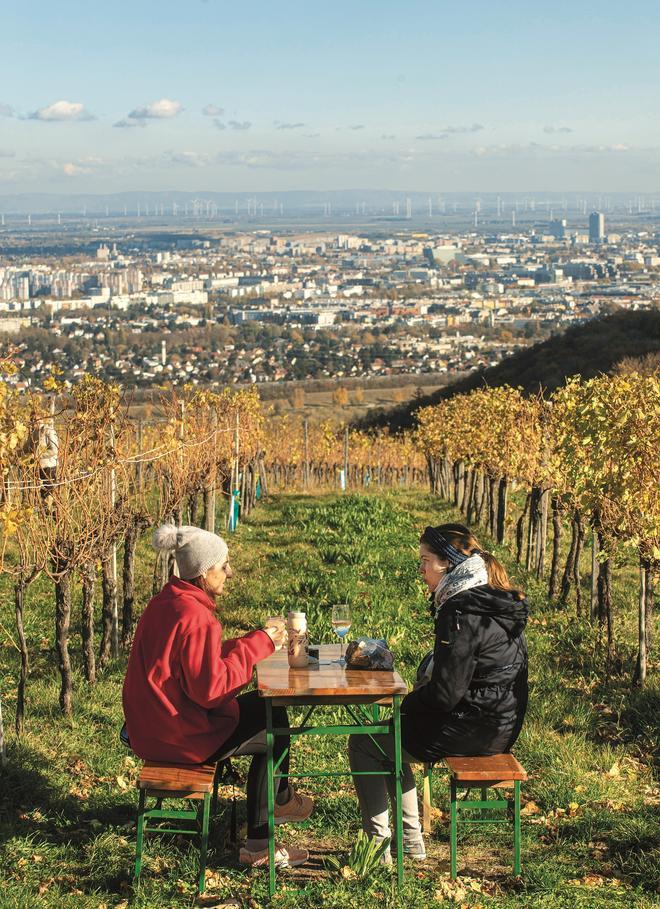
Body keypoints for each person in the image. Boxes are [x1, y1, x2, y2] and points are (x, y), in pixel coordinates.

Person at [122, 524, 313, 868]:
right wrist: (260, 644)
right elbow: (211, 690)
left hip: (152, 725)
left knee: (266, 707)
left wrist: (253, 643)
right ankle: (262, 840)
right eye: (223, 565)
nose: (229, 572)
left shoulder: (166, 602)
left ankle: (279, 801)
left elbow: (193, 665)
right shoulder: (197, 617)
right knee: (273, 729)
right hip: (177, 736)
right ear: (203, 571)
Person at [348, 522, 528, 859]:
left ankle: (378, 847)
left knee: (365, 742)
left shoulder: (460, 609)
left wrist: (406, 701)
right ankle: (410, 841)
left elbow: (446, 694)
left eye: (425, 560)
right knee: (390, 736)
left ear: (448, 564)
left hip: (471, 729)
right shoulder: (494, 600)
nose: (420, 569)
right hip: (501, 725)